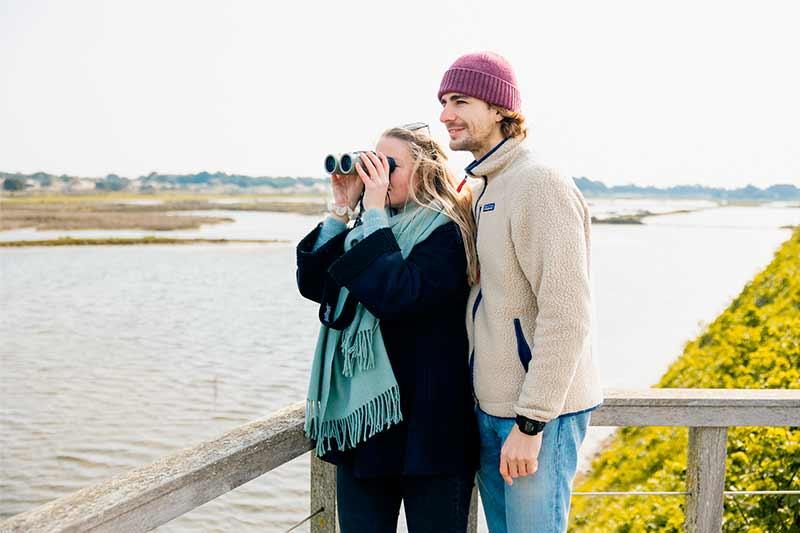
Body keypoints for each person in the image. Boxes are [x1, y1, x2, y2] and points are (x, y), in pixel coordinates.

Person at [437, 52, 604, 532]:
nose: (446, 114)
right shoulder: (484, 186)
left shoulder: (538, 183)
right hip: (489, 411)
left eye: (461, 100)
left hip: (534, 421)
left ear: (499, 109)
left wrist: (531, 424)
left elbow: (568, 314)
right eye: (445, 101)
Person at [296, 125, 479, 532]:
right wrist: (343, 209)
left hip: (431, 434)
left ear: (425, 171)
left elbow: (397, 294)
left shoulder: (447, 231)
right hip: (369, 431)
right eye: (372, 164)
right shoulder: (364, 232)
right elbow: (314, 285)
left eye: (389, 165)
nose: (376, 175)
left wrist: (375, 214)